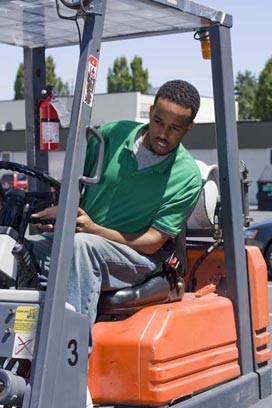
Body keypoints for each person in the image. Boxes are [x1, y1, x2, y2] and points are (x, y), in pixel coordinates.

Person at [29, 79, 202, 331]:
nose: (163, 134)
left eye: (175, 128)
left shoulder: (186, 176)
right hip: (85, 236)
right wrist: (62, 210)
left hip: (137, 257)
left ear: (189, 127)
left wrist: (93, 229)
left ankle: (70, 357)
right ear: (151, 112)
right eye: (158, 122)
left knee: (82, 247)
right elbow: (77, 183)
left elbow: (153, 240)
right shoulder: (112, 134)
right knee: (15, 248)